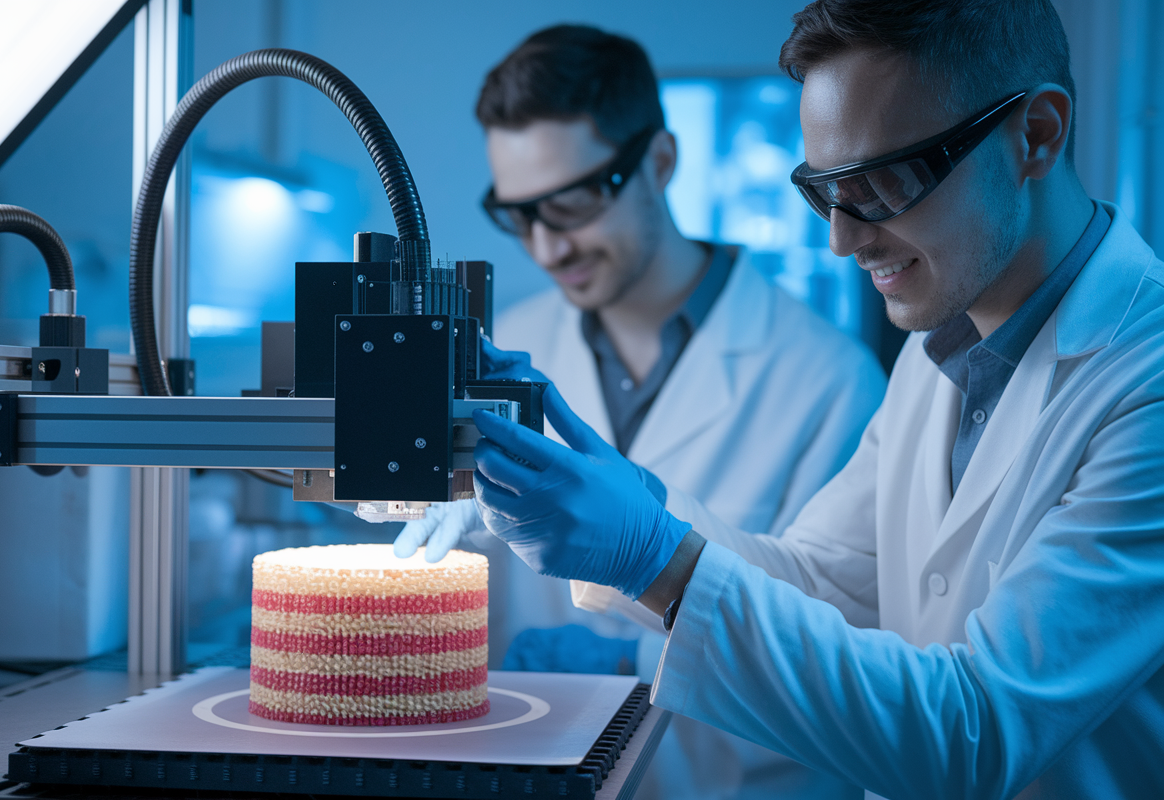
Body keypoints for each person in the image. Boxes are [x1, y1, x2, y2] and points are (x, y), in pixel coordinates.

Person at [467, 1, 1164, 797]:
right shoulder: (941, 350)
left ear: (1035, 134)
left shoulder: (1145, 382)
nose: (841, 238)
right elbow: (823, 582)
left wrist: (652, 557)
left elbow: (980, 732)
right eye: (824, 188)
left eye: (887, 182)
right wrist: (635, 515)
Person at [396, 24, 886, 800]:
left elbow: (834, 669)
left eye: (572, 203)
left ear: (659, 162)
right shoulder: (508, 347)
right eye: (518, 215)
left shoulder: (826, 381)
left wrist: (628, 673)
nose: (548, 248)